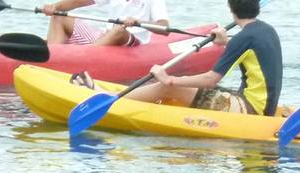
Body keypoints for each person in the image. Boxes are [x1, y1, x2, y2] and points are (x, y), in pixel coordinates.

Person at [121, 0, 282, 116]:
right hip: (263, 106)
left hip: (251, 109)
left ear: (230, 7)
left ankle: (116, 103)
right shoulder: (267, 30)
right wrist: (224, 43)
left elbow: (210, 79)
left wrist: (169, 80)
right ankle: (129, 97)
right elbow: (248, 50)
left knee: (168, 87)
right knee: (184, 84)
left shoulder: (244, 38)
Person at [41, 0, 168, 47]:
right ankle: (53, 56)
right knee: (59, 15)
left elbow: (164, 28)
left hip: (130, 41)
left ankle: (83, 56)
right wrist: (54, 6)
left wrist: (137, 22)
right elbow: (78, 1)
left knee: (119, 30)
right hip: (104, 37)